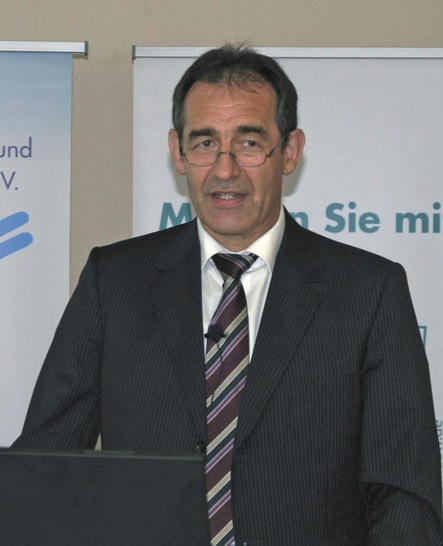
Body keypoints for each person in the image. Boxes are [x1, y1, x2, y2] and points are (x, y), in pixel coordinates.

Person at [14, 44, 442, 545]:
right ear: (177, 151)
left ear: (290, 150)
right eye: (204, 143)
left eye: (248, 142)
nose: (224, 169)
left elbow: (405, 495)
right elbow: (41, 472)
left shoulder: (369, 292)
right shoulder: (114, 283)